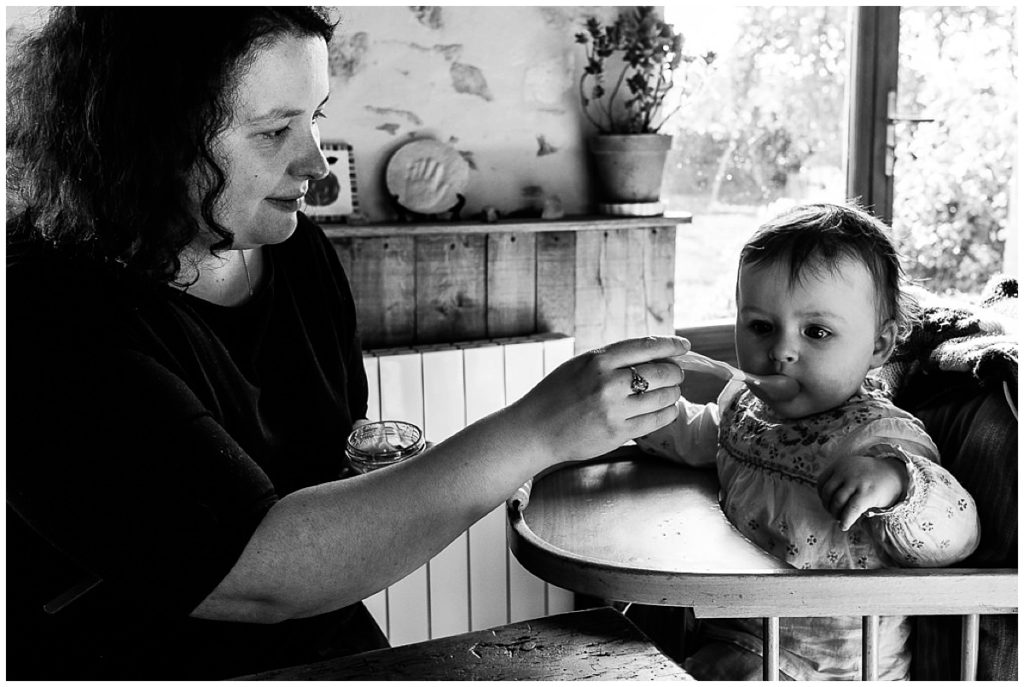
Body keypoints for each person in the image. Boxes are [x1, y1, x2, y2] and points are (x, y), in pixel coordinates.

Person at [5, 7, 690, 679]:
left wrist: (371, 470)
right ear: (148, 136)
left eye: (316, 118)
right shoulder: (44, 311)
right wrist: (538, 429)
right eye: (275, 130)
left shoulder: (296, 251)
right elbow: (257, 571)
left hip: (328, 647)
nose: (317, 164)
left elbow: (321, 452)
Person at [635, 203, 981, 680]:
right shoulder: (746, 405)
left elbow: (955, 536)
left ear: (879, 346)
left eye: (816, 332)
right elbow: (704, 438)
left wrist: (897, 484)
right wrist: (649, 417)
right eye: (760, 326)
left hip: (832, 668)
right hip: (731, 628)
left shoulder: (879, 436)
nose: (781, 350)